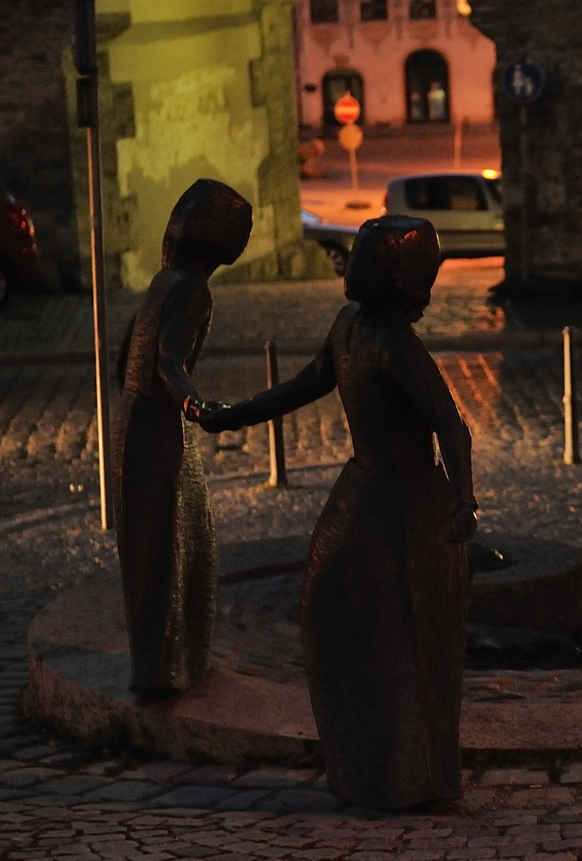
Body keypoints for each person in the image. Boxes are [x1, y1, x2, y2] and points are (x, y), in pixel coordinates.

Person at [201, 215, 478, 809]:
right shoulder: (349, 325)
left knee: (405, 636)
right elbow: (308, 383)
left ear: (396, 278)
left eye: (366, 259)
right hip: (363, 489)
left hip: (407, 504)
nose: (350, 266)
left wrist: (463, 498)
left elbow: (451, 424)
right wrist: (239, 413)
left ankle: (410, 778)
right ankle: (362, 767)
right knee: (327, 605)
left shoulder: (396, 346)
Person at [112, 178, 252, 697]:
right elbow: (168, 361)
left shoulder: (164, 280)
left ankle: (163, 665)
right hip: (160, 428)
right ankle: (166, 670)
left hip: (136, 417)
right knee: (176, 547)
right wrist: (196, 405)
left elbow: (128, 352)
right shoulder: (192, 289)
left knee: (156, 546)